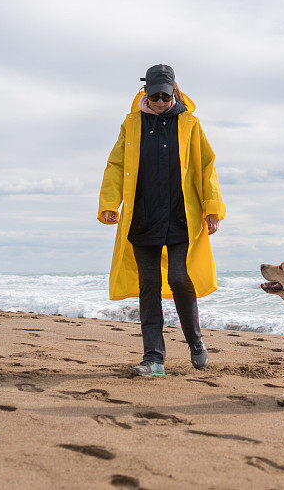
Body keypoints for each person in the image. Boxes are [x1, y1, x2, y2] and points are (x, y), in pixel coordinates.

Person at [97, 64, 226, 376]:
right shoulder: (131, 125)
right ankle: (154, 358)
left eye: (165, 96)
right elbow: (116, 164)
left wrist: (212, 207)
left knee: (180, 277)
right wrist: (110, 202)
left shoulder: (189, 124)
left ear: (174, 92)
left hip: (181, 217)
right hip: (142, 217)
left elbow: (206, 165)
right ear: (145, 92)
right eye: (153, 95)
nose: (159, 101)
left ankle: (195, 341)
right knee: (149, 285)